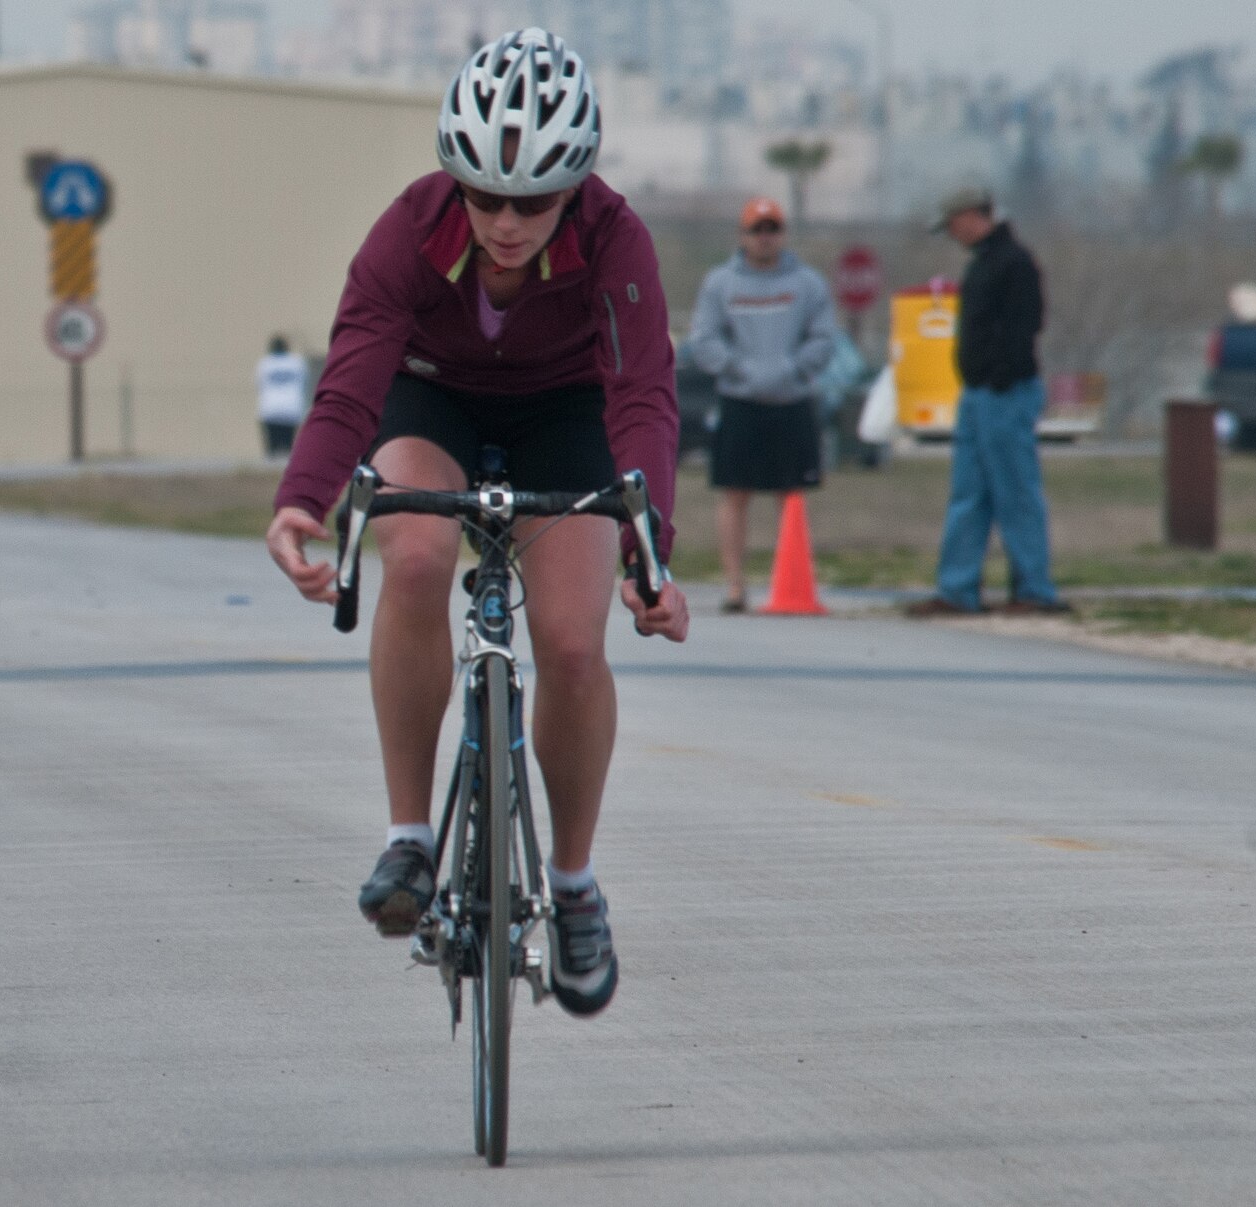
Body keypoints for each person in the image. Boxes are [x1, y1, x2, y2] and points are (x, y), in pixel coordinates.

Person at [265, 28, 689, 1019]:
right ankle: (408, 834)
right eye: (483, 195)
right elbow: (352, 377)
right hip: (431, 400)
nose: (504, 221)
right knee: (412, 555)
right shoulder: (407, 231)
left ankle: (575, 887)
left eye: (532, 202)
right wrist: (301, 499)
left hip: (565, 412)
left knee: (574, 641)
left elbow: (641, 394)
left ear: (573, 189)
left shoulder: (616, 238)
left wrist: (647, 544)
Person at [906, 187, 1071, 616]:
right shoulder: (983, 263)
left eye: (953, 226)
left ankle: (1034, 589)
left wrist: (999, 375)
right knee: (969, 495)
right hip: (978, 396)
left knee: (1016, 492)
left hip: (1005, 394)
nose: (953, 235)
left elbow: (1026, 326)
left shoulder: (1014, 263)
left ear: (969, 216)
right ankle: (958, 588)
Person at [685, 198, 837, 612]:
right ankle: (735, 584)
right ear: (743, 235)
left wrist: (795, 370)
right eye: (757, 230)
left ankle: (790, 580)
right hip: (740, 400)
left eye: (772, 229)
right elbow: (704, 338)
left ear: (782, 235)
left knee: (792, 492)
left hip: (791, 399)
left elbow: (823, 337)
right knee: (734, 492)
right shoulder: (721, 283)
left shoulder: (807, 283)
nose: (765, 238)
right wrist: (736, 369)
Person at [256, 335, 307, 456]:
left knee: (272, 451)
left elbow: (260, 385)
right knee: (289, 449)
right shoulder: (297, 363)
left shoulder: (265, 363)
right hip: (290, 409)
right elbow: (304, 385)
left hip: (270, 410)